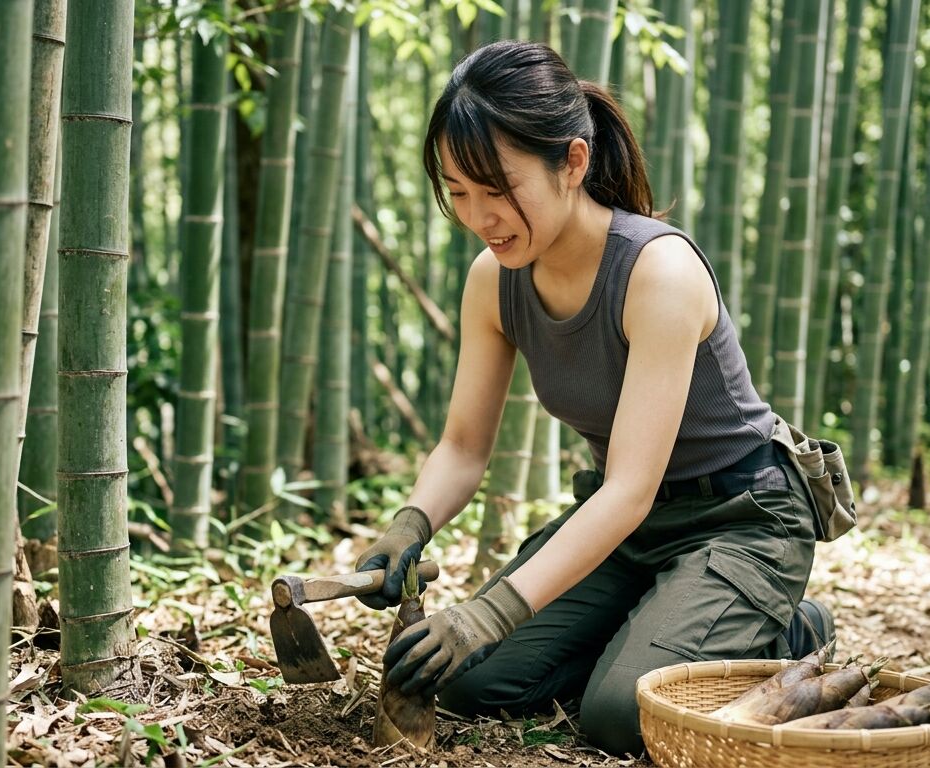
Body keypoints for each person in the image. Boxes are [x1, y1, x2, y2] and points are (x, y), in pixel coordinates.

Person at [352, 40, 834, 757]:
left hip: (741, 519)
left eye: (499, 188)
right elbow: (462, 445)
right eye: (459, 193)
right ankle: (658, 625)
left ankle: (792, 626)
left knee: (622, 715)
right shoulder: (494, 279)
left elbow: (629, 488)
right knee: (466, 683)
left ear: (572, 163)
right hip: (630, 532)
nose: (481, 216)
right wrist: (409, 523)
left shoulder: (657, 271)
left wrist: (485, 613)